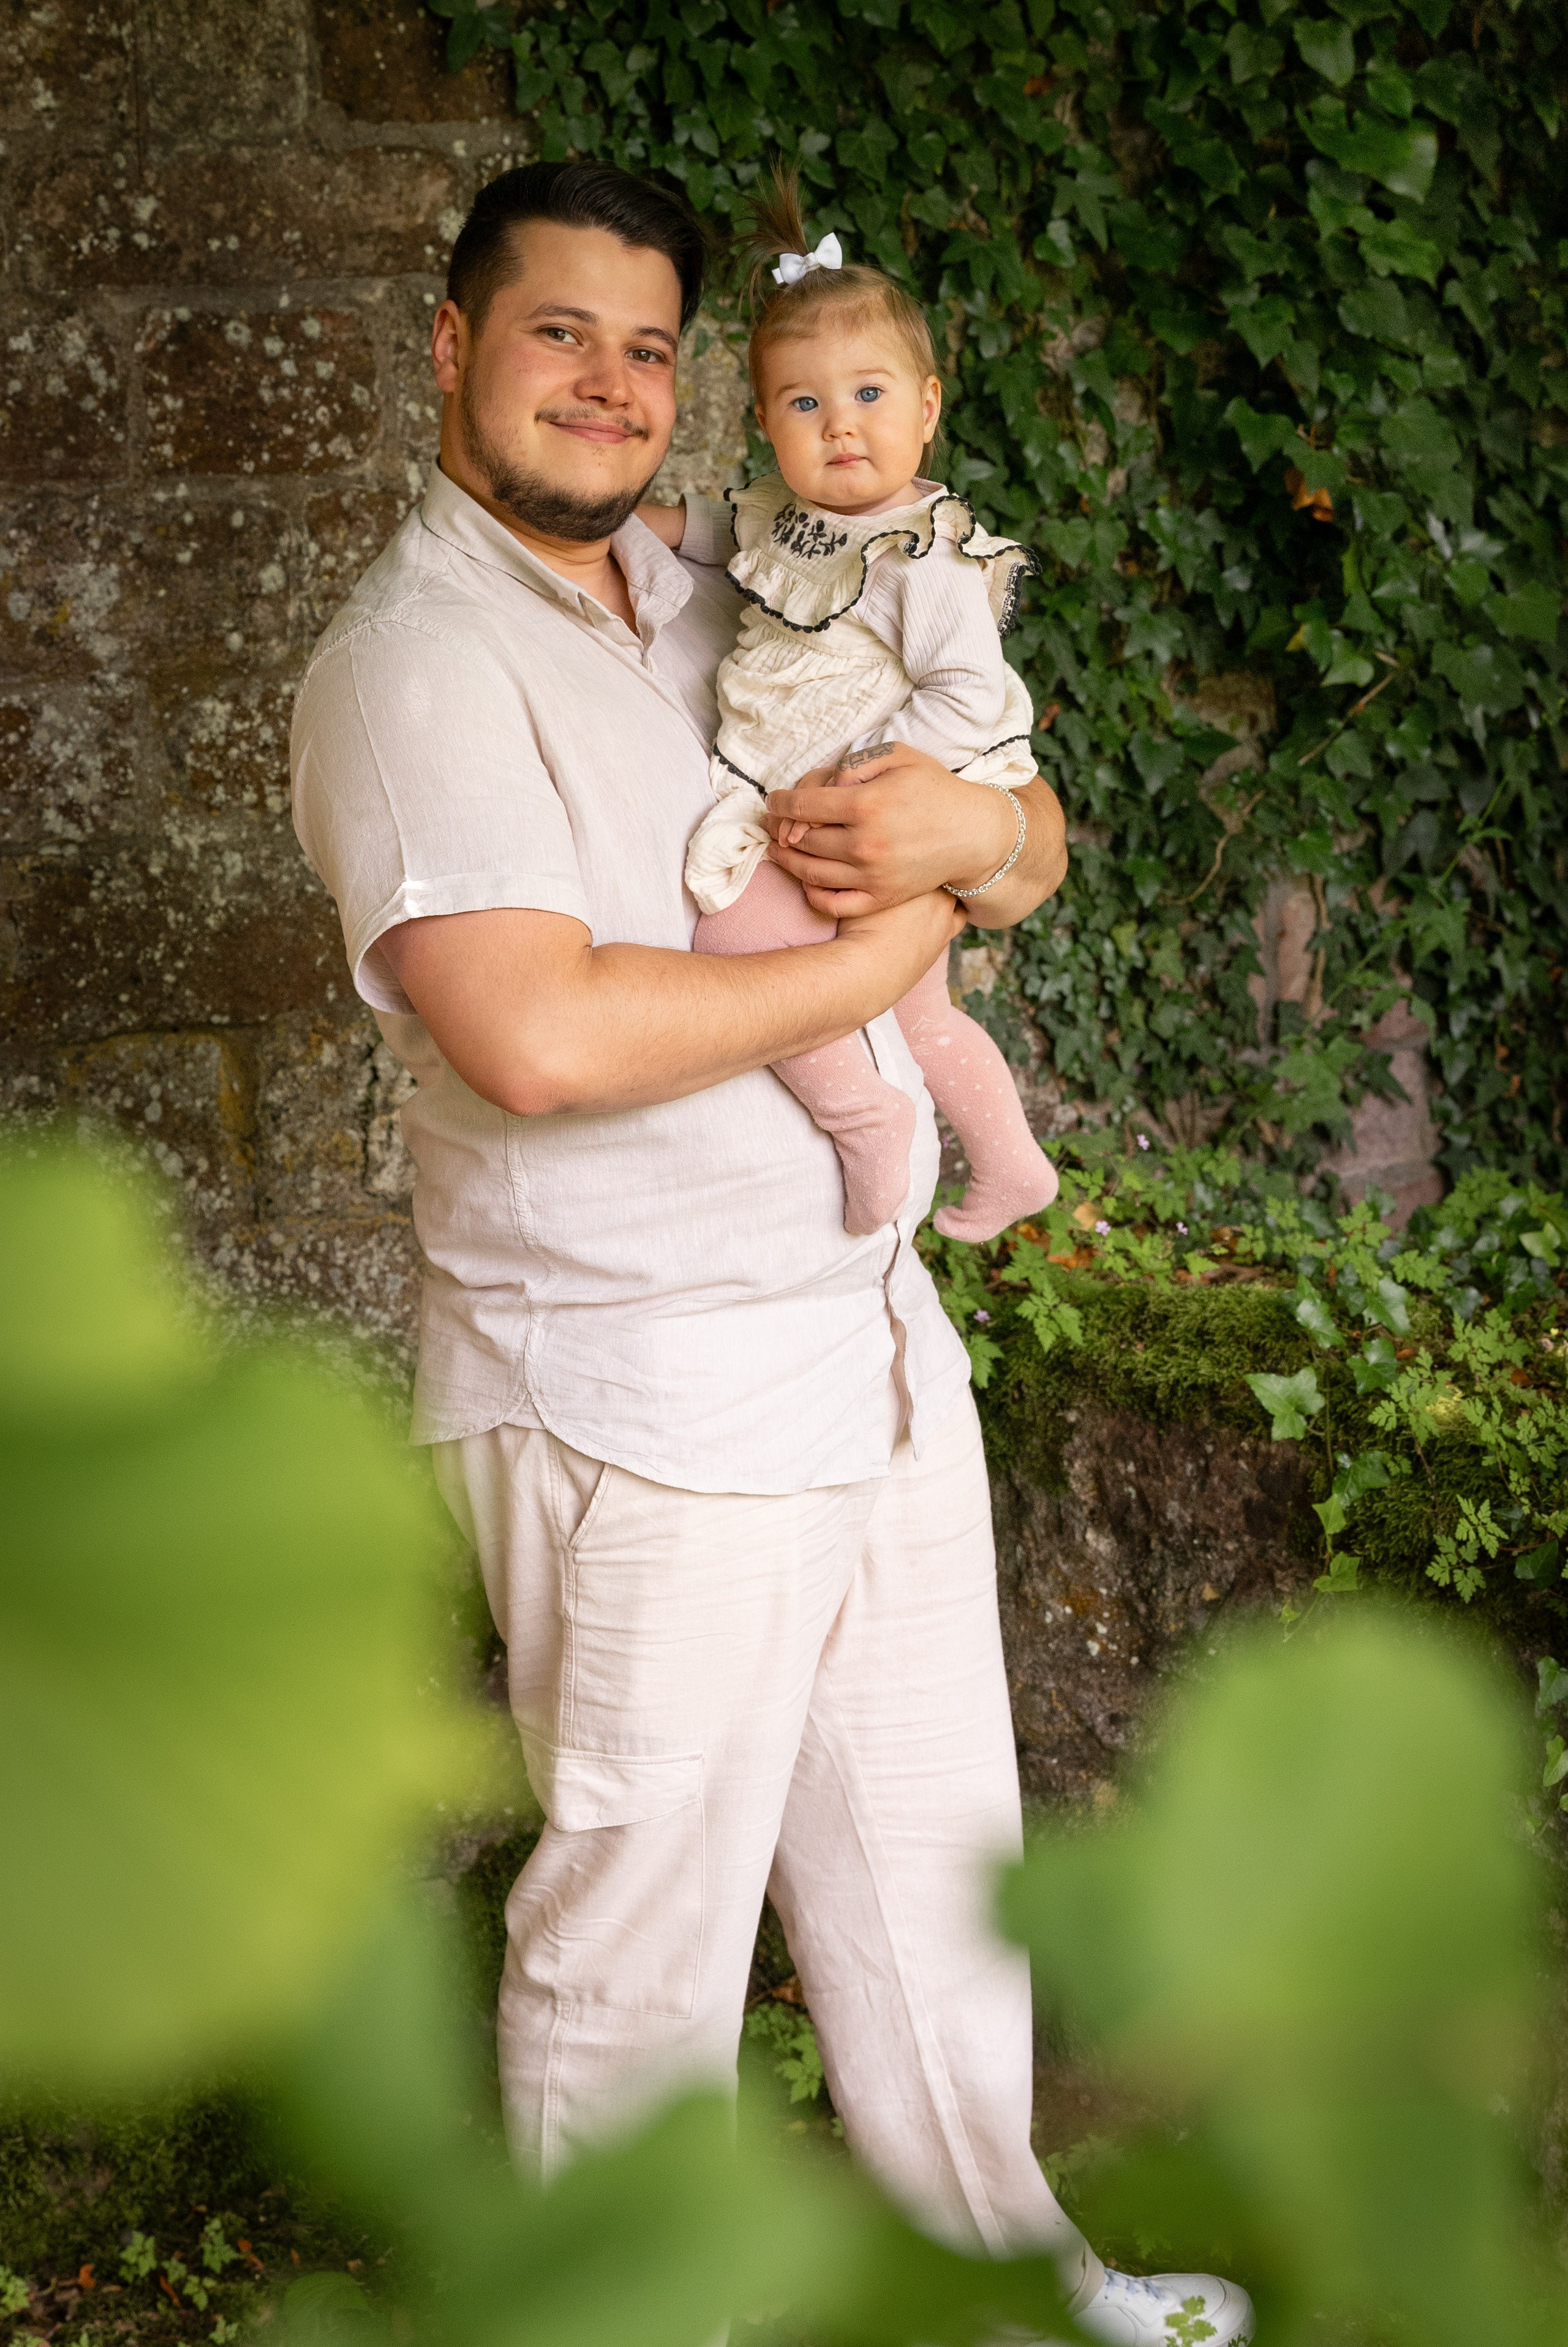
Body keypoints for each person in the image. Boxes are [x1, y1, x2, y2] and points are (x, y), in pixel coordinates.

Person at [288, 158, 1253, 2347]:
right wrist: (885, 958)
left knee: (933, 1898)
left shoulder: (738, 585)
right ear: (451, 351)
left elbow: (1014, 813)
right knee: (638, 1947)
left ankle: (1009, 2296)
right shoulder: (411, 669)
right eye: (558, 334)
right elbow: (535, 1034)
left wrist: (984, 837)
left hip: (867, 1348)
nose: (606, 386)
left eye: (645, 348)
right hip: (636, 1402)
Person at [639, 170, 1057, 1245]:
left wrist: (869, 778)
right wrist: (636, 520)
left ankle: (864, 1115)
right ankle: (1014, 1164)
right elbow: (719, 537)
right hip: (840, 799)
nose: (840, 429)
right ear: (766, 422)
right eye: (805, 404)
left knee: (734, 935)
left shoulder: (927, 557)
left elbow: (970, 691)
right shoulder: (791, 515)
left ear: (927, 407)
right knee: (922, 1009)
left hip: (882, 798)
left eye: (870, 396)